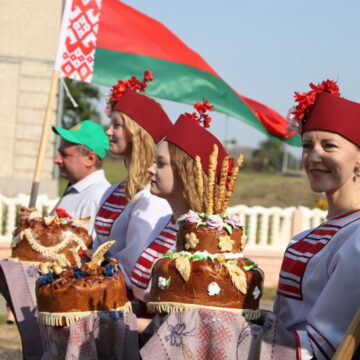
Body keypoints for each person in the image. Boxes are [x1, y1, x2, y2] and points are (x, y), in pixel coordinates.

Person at [273, 79, 360, 359]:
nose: (314, 156)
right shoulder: (305, 238)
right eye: (307, 145)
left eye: (329, 145)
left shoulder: (357, 237)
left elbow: (326, 345)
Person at [131, 100, 228, 302]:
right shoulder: (165, 221)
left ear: (186, 174)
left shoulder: (207, 239)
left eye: (161, 163)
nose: (150, 169)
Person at [93, 72, 173, 288]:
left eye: (117, 125)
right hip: (103, 286)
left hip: (124, 299)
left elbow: (136, 266)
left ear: (137, 134)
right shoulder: (114, 190)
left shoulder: (151, 197)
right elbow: (98, 247)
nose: (108, 131)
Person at [20, 120, 110, 235]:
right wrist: (36, 224)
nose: (56, 160)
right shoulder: (77, 188)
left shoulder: (97, 198)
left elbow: (87, 250)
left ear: (90, 159)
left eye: (65, 155)